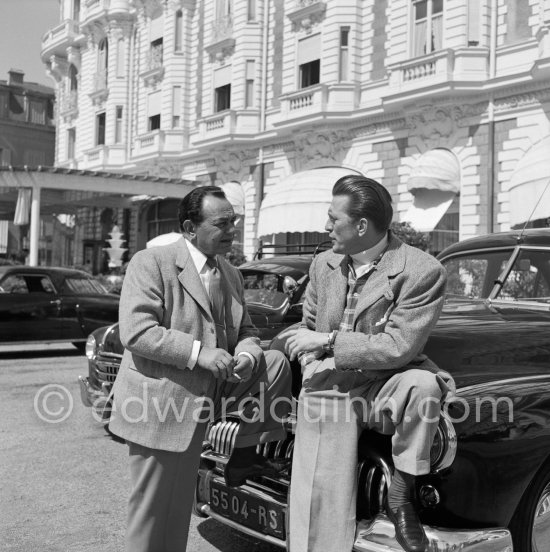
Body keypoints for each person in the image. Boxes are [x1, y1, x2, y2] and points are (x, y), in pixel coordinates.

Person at [109, 186, 292, 552]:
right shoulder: (152, 262)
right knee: (153, 510)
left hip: (204, 402)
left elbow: (247, 332)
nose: (233, 230)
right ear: (191, 228)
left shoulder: (231, 273)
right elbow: (136, 331)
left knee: (177, 510)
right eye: (222, 223)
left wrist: (246, 353)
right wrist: (201, 354)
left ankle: (244, 452)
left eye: (234, 222)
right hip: (161, 405)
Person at [282, 175, 454, 552]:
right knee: (320, 495)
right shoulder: (323, 263)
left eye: (333, 218)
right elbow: (308, 325)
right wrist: (311, 356)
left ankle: (401, 494)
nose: (326, 227)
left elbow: (398, 347)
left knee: (424, 386)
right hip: (329, 381)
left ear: (361, 225)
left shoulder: (422, 270)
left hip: (383, 384)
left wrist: (328, 342)